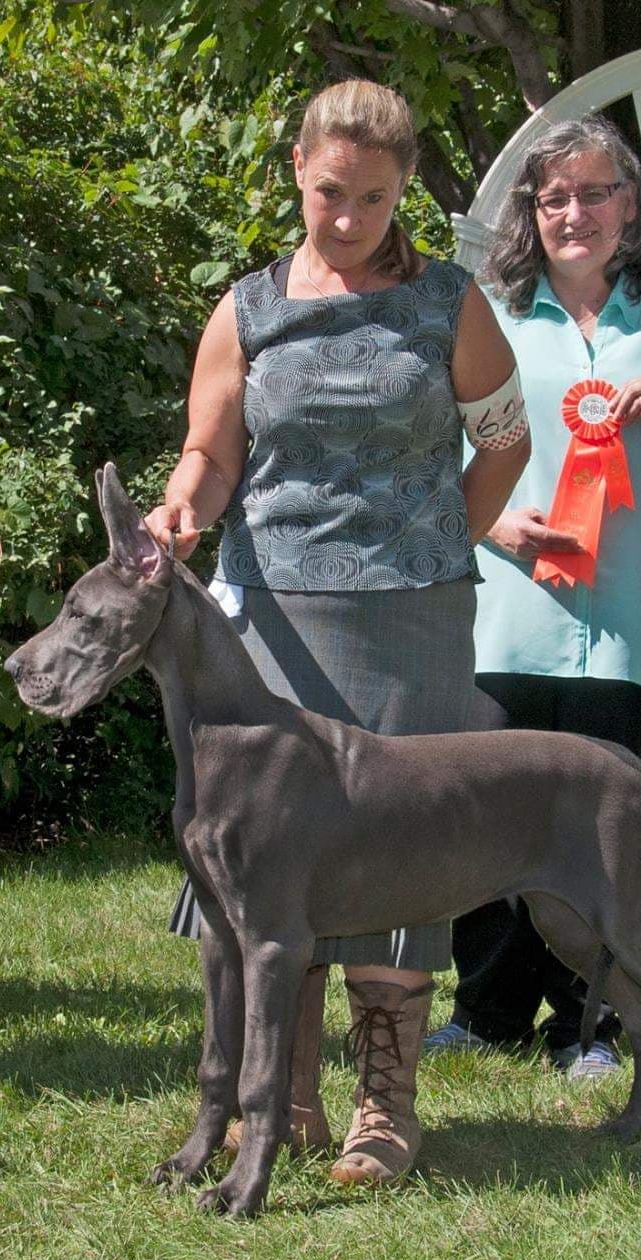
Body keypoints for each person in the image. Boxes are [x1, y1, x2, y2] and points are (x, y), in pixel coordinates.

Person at [144, 79, 529, 1185]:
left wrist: (442, 543)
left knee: (400, 852)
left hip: (412, 620)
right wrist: (182, 509)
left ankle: (385, 1107)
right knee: (271, 864)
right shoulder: (248, 308)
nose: (348, 218)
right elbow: (210, 454)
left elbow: (503, 442)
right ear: (295, 177)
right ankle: (282, 1095)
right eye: (328, 194)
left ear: (402, 187)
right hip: (268, 622)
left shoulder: (449, 303)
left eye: (370, 196)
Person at [425, 115, 641, 1079]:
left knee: (605, 840)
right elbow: (436, 452)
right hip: (510, 616)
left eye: (596, 193)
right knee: (486, 822)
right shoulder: (486, 317)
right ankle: (486, 1010)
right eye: (555, 197)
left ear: (630, 208)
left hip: (635, 622)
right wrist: (499, 524)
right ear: (532, 212)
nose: (575, 213)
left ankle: (591, 1023)